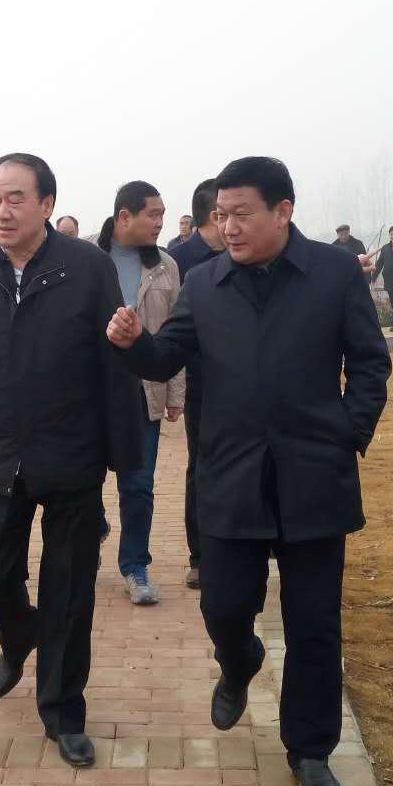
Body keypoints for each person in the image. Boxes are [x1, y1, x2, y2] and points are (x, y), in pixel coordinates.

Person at [106, 156, 391, 786]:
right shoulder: (205, 283)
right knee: (224, 608)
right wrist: (132, 343)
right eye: (220, 215)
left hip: (314, 477)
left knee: (315, 623)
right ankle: (238, 663)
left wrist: (347, 433)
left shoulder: (333, 274)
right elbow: (166, 355)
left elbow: (370, 363)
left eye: (241, 214)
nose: (228, 227)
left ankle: (310, 750)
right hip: (231, 476)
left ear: (282, 211)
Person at [0, 152, 142, 768]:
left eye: (16, 198)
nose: (2, 210)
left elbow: (112, 361)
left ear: (46, 204)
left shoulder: (87, 268)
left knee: (69, 590)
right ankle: (19, 635)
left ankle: (64, 711)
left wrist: (124, 453)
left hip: (70, 454)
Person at [96, 183, 185, 606]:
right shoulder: (87, 259)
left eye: (162, 214)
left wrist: (175, 393)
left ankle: (135, 565)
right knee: (81, 483)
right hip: (91, 394)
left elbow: (176, 333)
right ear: (124, 217)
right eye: (152, 214)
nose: (160, 222)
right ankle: (88, 540)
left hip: (144, 391)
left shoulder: (166, 266)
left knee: (138, 486)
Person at [171, 179, 224, 590]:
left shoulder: (246, 254)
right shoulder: (179, 261)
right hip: (202, 383)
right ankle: (201, 557)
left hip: (250, 382)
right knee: (202, 467)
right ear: (215, 215)